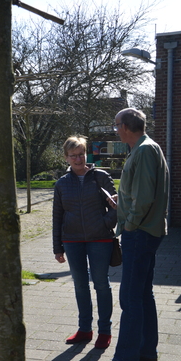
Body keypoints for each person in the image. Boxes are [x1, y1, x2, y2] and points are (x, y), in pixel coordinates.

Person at [93, 108, 169, 361]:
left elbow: (145, 197)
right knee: (142, 295)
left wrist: (129, 224)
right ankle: (146, 354)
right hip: (145, 231)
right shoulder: (146, 148)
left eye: (116, 125)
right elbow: (139, 193)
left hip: (140, 233)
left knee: (130, 298)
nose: (115, 130)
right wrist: (121, 203)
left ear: (125, 126)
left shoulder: (145, 149)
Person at [52, 136, 117, 349]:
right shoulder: (61, 184)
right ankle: (84, 329)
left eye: (81, 154)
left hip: (101, 239)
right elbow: (57, 216)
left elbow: (117, 205)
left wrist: (104, 223)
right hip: (72, 241)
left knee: (101, 284)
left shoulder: (100, 177)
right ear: (66, 157)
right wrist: (57, 247)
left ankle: (104, 331)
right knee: (80, 286)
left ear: (86, 154)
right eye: (73, 155)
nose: (78, 159)